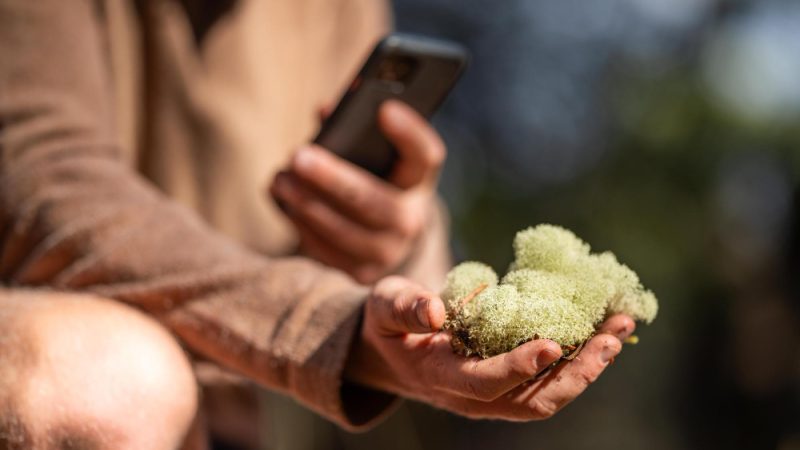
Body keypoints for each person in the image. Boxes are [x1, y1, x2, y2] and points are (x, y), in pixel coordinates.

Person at [0, 0, 635, 448]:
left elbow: (394, 266)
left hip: (232, 402)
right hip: (76, 356)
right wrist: (331, 326)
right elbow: (43, 182)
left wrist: (400, 242)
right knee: (110, 383)